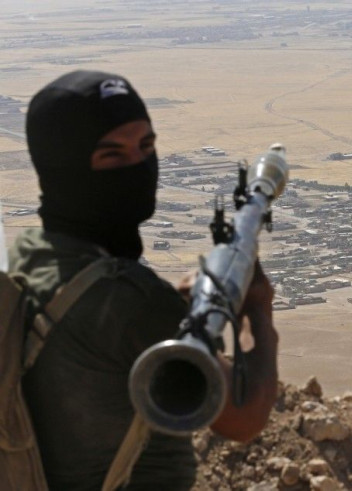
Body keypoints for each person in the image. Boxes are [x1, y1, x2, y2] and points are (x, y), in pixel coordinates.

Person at [8, 70, 279, 490]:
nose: (137, 166)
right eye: (112, 155)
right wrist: (256, 310)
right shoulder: (132, 304)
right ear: (64, 167)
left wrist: (167, 308)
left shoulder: (30, 256)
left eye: (146, 146)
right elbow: (245, 416)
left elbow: (92, 334)